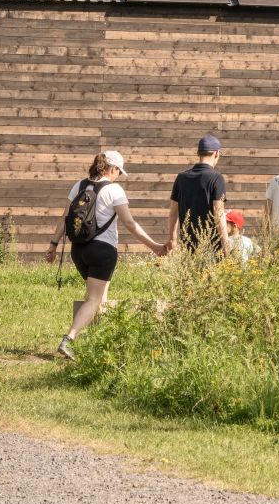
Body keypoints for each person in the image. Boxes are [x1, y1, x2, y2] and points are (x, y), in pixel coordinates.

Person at [48, 150, 164, 359]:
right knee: (94, 298)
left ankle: (98, 345)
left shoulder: (79, 186)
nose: (119, 176)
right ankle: (69, 339)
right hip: (103, 251)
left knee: (97, 297)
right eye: (119, 171)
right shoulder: (114, 190)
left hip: (79, 250)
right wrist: (154, 246)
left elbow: (64, 218)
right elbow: (129, 223)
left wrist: (53, 244)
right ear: (113, 169)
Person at [170, 135, 230, 257]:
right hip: (211, 249)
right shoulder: (216, 178)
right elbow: (218, 212)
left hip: (188, 247)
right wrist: (226, 245)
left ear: (198, 153)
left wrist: (172, 239)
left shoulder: (181, 178)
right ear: (216, 154)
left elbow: (173, 212)